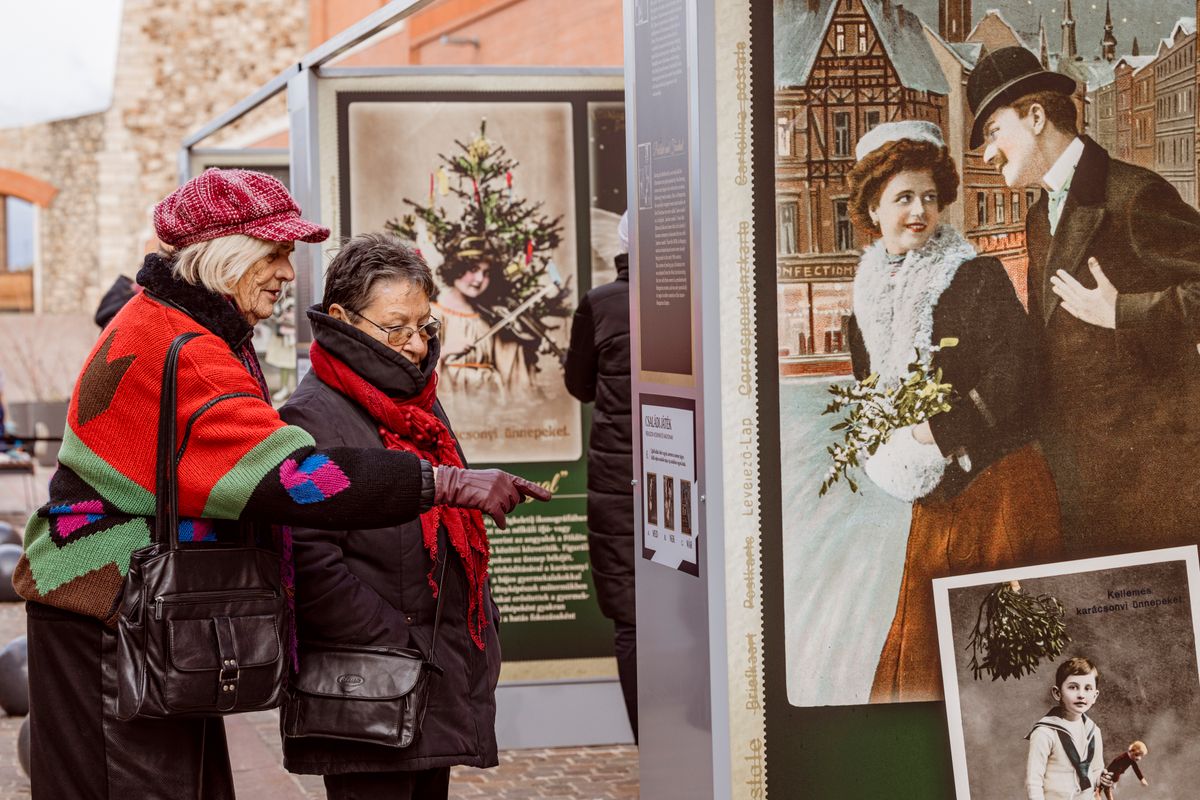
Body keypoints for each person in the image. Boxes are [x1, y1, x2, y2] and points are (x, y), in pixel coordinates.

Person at [13, 168, 549, 800]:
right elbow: (293, 478)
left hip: (130, 607)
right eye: (274, 254)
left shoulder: (178, 328)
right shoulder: (183, 349)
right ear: (226, 255)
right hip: (108, 610)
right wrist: (445, 484)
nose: (288, 274)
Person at [279, 233, 508, 798]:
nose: (413, 344)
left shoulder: (415, 405)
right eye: (395, 326)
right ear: (342, 319)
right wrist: (396, 645)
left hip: (430, 672)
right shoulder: (311, 417)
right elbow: (308, 563)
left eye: (424, 326)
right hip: (370, 685)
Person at [844, 121, 1063, 703]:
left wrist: (941, 430)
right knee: (925, 663)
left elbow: (1022, 373)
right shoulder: (862, 305)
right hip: (935, 502)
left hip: (1001, 489)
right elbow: (868, 397)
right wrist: (882, 444)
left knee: (1004, 672)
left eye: (930, 198)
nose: (919, 211)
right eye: (903, 198)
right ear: (873, 206)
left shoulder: (974, 278)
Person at [967, 46, 1200, 556]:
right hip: (1075, 485)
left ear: (1034, 117)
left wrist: (1124, 312)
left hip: (1154, 491)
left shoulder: (1133, 195)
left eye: (991, 132)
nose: (987, 154)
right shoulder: (1036, 219)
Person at [564, 212, 636, 740]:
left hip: (619, 481)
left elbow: (581, 385)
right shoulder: (705, 294)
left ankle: (650, 749)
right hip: (693, 480)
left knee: (631, 618)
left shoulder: (602, 303)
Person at [433, 238, 536, 395]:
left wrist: (525, 340)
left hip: (491, 395)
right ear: (456, 269)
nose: (480, 279)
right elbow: (417, 363)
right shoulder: (434, 313)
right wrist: (445, 351)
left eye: (486, 273)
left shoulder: (487, 315)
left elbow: (508, 358)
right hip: (453, 395)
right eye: (473, 269)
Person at [1025, 657, 1111, 800]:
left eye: (1087, 688)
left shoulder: (1093, 731)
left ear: (1095, 695)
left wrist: (1101, 778)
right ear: (1057, 693)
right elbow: (1034, 781)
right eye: (1073, 687)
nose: (1081, 694)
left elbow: (1095, 770)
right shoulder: (1045, 732)